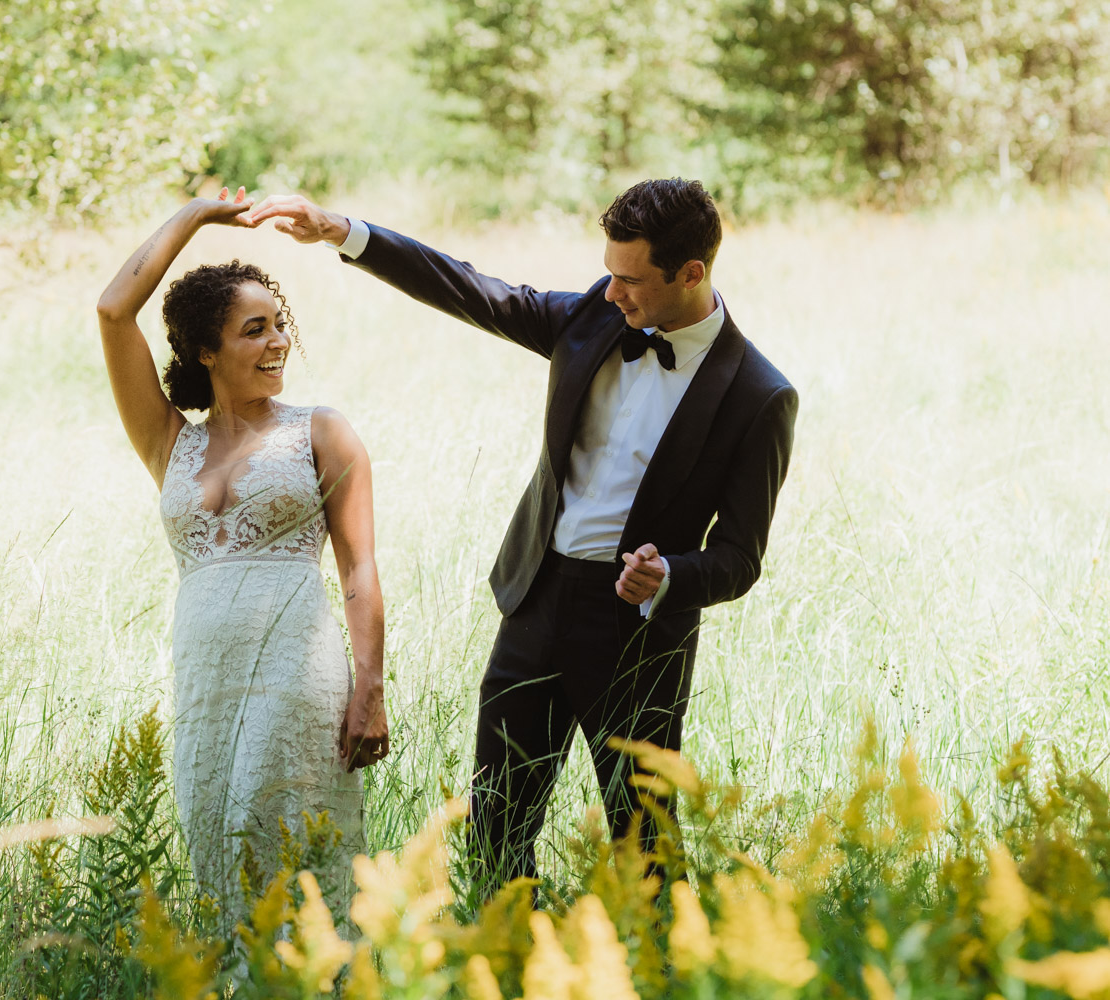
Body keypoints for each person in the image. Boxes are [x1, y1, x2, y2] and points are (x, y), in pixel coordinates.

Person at [247, 179, 798, 895]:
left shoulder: (759, 394)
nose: (612, 294)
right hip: (535, 602)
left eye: (631, 281)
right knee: (496, 826)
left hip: (639, 636)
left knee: (644, 843)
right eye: (610, 272)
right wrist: (342, 231)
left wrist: (671, 578)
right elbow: (473, 290)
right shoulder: (592, 321)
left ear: (690, 274)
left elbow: (740, 556)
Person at [94, 188, 388, 924]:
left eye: (279, 325)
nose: (279, 342)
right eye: (254, 330)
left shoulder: (321, 432)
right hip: (204, 683)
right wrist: (195, 215)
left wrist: (370, 688)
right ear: (205, 350)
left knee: (297, 870)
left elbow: (359, 570)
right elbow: (111, 310)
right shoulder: (169, 441)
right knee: (219, 865)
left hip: (297, 676)